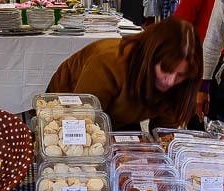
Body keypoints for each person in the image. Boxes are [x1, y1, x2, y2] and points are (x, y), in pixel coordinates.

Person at [46, 18, 202, 131]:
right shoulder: (109, 61)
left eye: (181, 75)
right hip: (68, 113)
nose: (170, 81)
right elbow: (80, 124)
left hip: (120, 118)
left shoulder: (180, 85)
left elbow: (164, 133)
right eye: (166, 70)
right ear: (151, 57)